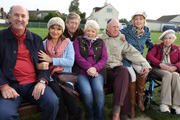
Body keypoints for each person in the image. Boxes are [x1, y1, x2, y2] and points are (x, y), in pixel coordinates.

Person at [0, 5, 59, 120]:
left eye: (23, 16)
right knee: (4, 115)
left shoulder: (36, 39)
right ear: (9, 17)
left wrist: (42, 81)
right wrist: (3, 86)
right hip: (11, 86)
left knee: (52, 102)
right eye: (16, 15)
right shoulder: (1, 37)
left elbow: (44, 63)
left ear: (27, 20)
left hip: (34, 84)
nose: (19, 19)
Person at [99, 19, 151, 120]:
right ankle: (122, 114)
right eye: (113, 27)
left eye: (117, 27)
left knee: (124, 71)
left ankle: (116, 113)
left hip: (117, 68)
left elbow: (133, 53)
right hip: (104, 69)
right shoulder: (100, 39)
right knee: (123, 82)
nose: (116, 29)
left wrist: (145, 64)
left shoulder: (121, 40)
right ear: (107, 27)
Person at [37, 17, 83, 120]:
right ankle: (61, 117)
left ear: (62, 30)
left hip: (65, 75)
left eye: (59, 29)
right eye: (53, 28)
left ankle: (75, 115)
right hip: (51, 76)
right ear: (49, 28)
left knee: (69, 95)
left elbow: (70, 62)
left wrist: (51, 60)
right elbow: (42, 62)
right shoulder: (43, 44)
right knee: (57, 95)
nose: (55, 31)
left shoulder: (68, 43)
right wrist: (46, 62)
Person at [120, 11, 154, 118]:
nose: (138, 21)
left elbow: (150, 43)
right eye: (136, 19)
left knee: (142, 72)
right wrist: (120, 36)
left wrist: (158, 48)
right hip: (127, 59)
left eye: (140, 19)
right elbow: (115, 32)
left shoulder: (146, 31)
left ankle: (139, 100)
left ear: (144, 20)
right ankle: (131, 107)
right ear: (133, 21)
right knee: (133, 76)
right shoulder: (126, 30)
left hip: (138, 58)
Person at [73, 20, 108, 120]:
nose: (90, 33)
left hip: (97, 72)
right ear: (85, 31)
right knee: (87, 92)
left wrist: (95, 68)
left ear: (96, 32)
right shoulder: (78, 40)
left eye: (93, 31)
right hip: (81, 72)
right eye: (88, 30)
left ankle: (99, 116)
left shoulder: (100, 42)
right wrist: (89, 68)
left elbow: (104, 58)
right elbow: (77, 56)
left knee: (98, 90)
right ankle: (91, 115)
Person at [146, 29, 180, 115]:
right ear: (162, 39)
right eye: (165, 38)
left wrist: (175, 67)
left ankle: (176, 105)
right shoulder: (157, 46)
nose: (167, 40)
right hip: (157, 69)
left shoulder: (176, 48)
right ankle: (164, 105)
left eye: (169, 38)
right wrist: (160, 64)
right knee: (168, 75)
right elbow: (149, 55)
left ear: (173, 39)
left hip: (172, 70)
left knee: (176, 75)